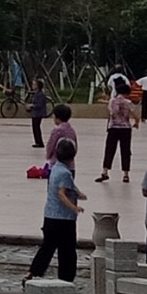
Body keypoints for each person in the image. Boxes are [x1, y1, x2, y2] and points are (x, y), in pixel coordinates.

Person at [29, 137, 86, 283]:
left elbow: (67, 187)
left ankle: (34, 272)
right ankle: (66, 278)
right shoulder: (66, 173)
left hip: (50, 216)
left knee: (47, 247)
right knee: (67, 250)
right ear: (72, 156)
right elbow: (61, 193)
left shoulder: (55, 168)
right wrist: (74, 207)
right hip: (64, 219)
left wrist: (78, 193)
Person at [96, 79, 138, 184]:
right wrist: (136, 123)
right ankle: (126, 175)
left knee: (109, 150)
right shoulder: (128, 102)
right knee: (125, 151)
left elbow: (111, 113)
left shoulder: (112, 101)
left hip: (113, 128)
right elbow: (136, 115)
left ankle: (105, 172)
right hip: (125, 129)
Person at [44, 103, 77, 168]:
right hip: (70, 165)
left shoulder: (56, 130)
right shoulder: (71, 130)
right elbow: (75, 146)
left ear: (57, 117)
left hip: (56, 164)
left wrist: (48, 156)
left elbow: (51, 145)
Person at [28, 80, 49, 149]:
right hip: (35, 113)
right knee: (35, 128)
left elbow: (39, 105)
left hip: (38, 113)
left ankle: (39, 142)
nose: (33, 86)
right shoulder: (36, 93)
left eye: (34, 84)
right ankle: (37, 141)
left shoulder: (41, 94)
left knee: (36, 128)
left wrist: (32, 106)